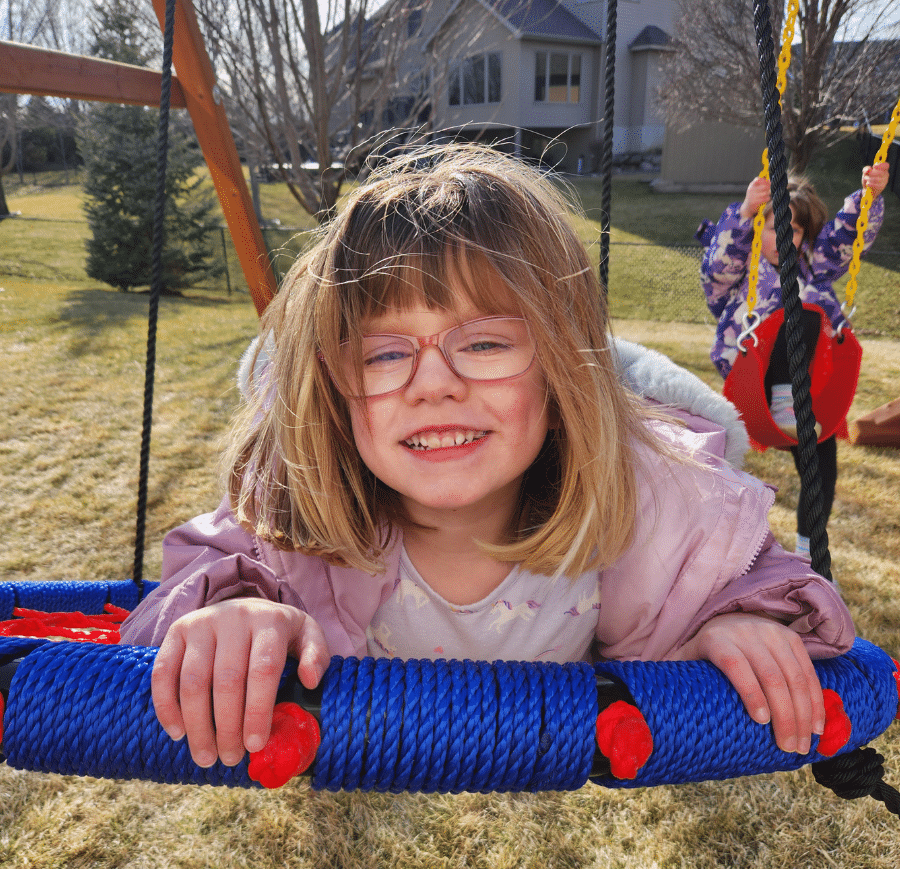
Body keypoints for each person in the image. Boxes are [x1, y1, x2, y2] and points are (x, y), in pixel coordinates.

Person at [119, 144, 854, 776]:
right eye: (383, 354)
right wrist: (229, 614)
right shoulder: (296, 507)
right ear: (336, 388)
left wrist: (731, 621)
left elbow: (740, 572)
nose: (434, 384)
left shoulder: (646, 500)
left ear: (563, 373)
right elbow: (192, 586)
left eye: (485, 342)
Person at [699, 162, 889, 559]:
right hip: (755, 380)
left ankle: (810, 552)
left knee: (822, 465)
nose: (784, 236)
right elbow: (717, 265)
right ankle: (784, 399)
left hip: (804, 395)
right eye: (773, 227)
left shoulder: (811, 270)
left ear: (804, 237)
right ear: (758, 229)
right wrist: (746, 212)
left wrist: (868, 198)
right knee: (799, 313)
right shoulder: (739, 272)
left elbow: (844, 240)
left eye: (795, 229)